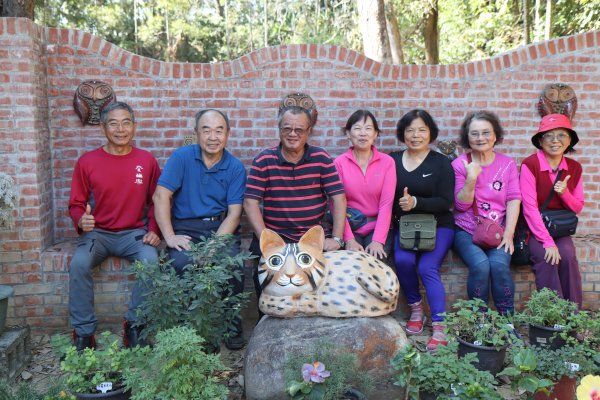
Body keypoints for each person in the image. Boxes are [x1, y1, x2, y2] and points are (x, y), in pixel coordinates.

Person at [68, 101, 161, 351]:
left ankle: (134, 326)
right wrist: (80, 219)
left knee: (151, 263)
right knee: (78, 265)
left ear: (134, 127)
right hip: (97, 235)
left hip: (134, 234)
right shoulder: (87, 161)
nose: (120, 129)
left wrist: (154, 229)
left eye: (126, 123)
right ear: (103, 127)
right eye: (113, 123)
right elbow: (75, 203)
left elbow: (157, 201)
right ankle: (84, 333)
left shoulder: (146, 160)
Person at [153, 109, 247, 349]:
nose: (213, 136)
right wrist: (170, 236)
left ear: (228, 134)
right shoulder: (182, 157)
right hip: (185, 228)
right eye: (206, 130)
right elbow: (161, 195)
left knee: (232, 263)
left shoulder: (235, 167)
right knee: (180, 263)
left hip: (219, 229)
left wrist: (213, 247)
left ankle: (231, 324)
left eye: (219, 130)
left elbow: (234, 214)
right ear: (196, 133)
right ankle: (190, 328)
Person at [244, 105, 347, 302]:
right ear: (279, 129)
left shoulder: (321, 158)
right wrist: (266, 241)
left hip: (312, 239)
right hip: (276, 236)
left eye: (299, 130)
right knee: (265, 289)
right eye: (287, 129)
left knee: (324, 291)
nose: (292, 134)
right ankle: (263, 325)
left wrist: (337, 238)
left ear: (308, 132)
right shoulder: (264, 160)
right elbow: (250, 202)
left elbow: (338, 198)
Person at [390, 109, 455, 352]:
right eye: (410, 130)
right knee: (403, 261)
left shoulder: (441, 163)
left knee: (427, 267)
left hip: (439, 225)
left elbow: (446, 200)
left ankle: (440, 325)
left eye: (421, 130)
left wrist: (416, 202)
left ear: (430, 133)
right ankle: (417, 311)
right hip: (406, 227)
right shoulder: (392, 160)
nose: (415, 135)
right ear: (402, 133)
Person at [451, 111, 521, 315]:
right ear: (467, 137)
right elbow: (461, 206)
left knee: (499, 266)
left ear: (495, 135)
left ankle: (506, 319)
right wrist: (471, 178)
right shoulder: (459, 165)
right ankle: (479, 319)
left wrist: (509, 233)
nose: (480, 138)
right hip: (466, 230)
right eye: (475, 134)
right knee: (481, 266)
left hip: (498, 230)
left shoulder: (507, 163)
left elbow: (513, 199)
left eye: (486, 132)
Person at [519, 114, 584, 309]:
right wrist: (547, 242)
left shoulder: (574, 168)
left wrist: (564, 194)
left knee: (569, 257)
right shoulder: (530, 165)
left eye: (562, 135)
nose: (556, 141)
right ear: (540, 140)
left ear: (570, 139)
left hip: (559, 228)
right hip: (534, 228)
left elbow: (577, 207)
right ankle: (551, 318)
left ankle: (573, 316)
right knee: (548, 258)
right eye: (549, 135)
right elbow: (529, 209)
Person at [333, 110, 396, 260]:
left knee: (375, 263)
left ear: (375, 134)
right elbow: (336, 203)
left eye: (368, 129)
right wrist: (348, 239)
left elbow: (386, 204)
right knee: (351, 264)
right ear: (348, 133)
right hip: (349, 226)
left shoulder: (387, 162)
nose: (363, 133)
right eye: (357, 128)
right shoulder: (339, 163)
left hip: (377, 228)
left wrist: (378, 241)